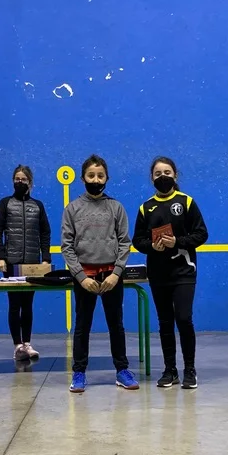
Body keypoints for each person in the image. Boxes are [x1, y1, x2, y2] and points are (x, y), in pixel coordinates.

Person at [61, 154, 138, 394]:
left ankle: (122, 370)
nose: (96, 179)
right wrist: (81, 277)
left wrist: (116, 273)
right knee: (82, 326)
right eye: (91, 175)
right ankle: (79, 372)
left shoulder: (116, 207)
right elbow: (67, 246)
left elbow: (125, 242)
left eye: (100, 176)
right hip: (85, 279)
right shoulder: (72, 209)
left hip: (111, 277)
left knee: (116, 324)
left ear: (107, 178)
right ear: (83, 178)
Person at [132, 156, 208, 389]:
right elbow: (138, 240)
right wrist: (151, 246)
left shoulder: (186, 202)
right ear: (151, 178)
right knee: (165, 322)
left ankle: (190, 369)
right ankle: (170, 370)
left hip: (184, 272)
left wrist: (177, 242)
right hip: (158, 274)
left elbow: (201, 234)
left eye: (167, 172)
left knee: (183, 319)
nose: (162, 177)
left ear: (175, 175)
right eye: (158, 173)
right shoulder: (145, 207)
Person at [0, 165, 52, 360]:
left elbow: (45, 232)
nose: (20, 182)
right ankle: (17, 346)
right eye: (17, 179)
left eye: (23, 179)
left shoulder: (38, 206)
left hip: (32, 264)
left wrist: (46, 258)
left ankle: (27, 343)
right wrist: (0, 257)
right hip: (12, 263)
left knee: (28, 305)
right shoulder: (5, 204)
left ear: (30, 182)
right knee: (14, 304)